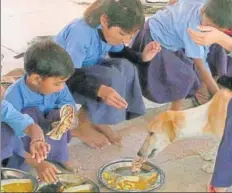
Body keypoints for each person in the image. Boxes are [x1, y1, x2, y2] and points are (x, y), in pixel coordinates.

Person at [53, 0, 160, 149]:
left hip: (83, 70)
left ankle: (98, 120)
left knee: (127, 67)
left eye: (131, 36)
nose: (126, 40)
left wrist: (143, 57)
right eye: (122, 34)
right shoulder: (80, 33)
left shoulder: (110, 31)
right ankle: (82, 126)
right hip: (59, 77)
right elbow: (68, 77)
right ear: (104, 20)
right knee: (108, 78)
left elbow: (122, 51)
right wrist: (99, 90)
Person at [132, 0, 232, 110]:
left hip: (174, 33)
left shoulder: (208, 5)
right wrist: (218, 95)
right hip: (155, 41)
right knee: (185, 77)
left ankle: (205, 87)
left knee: (217, 50)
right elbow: (200, 64)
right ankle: (175, 112)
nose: (210, 29)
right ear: (203, 11)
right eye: (208, 25)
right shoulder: (194, 28)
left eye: (216, 30)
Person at [4, 39, 77, 183]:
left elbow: (69, 104)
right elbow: (11, 135)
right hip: (23, 136)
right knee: (28, 112)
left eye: (63, 82)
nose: (62, 87)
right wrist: (37, 164)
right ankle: (29, 162)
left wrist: (69, 119)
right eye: (57, 83)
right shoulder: (13, 96)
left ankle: (59, 156)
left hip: (45, 127)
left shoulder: (59, 87)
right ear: (36, 79)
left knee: (60, 113)